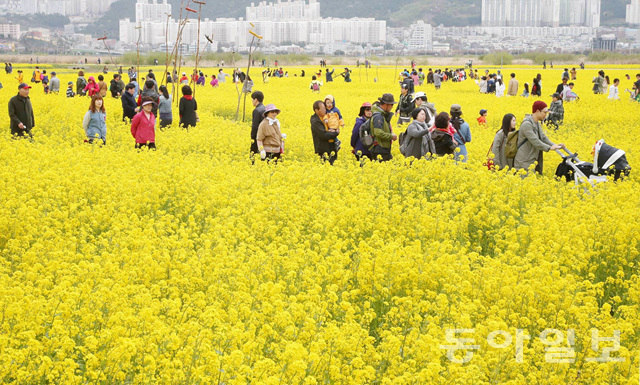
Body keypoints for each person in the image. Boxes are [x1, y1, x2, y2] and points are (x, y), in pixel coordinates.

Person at [513, 101, 565, 174]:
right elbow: (535, 141)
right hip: (523, 162)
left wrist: (554, 145)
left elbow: (543, 138)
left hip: (531, 161)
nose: (546, 115)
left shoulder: (536, 123)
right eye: (544, 112)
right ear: (537, 111)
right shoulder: (527, 124)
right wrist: (549, 148)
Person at [310, 100, 340, 164]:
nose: (325, 110)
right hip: (324, 150)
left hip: (331, 148)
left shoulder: (326, 116)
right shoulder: (315, 121)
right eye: (323, 108)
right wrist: (335, 133)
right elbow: (323, 135)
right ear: (317, 110)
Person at [369, 94, 397, 161]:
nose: (392, 107)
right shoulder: (378, 116)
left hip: (383, 148)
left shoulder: (382, 115)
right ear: (386, 104)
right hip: (380, 148)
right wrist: (391, 136)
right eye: (391, 105)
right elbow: (378, 132)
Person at [250, 91, 265, 157]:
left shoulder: (257, 110)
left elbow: (255, 126)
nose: (252, 101)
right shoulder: (265, 109)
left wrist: (252, 137)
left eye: (252, 99)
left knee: (253, 155)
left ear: (256, 100)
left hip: (257, 136)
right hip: (265, 136)